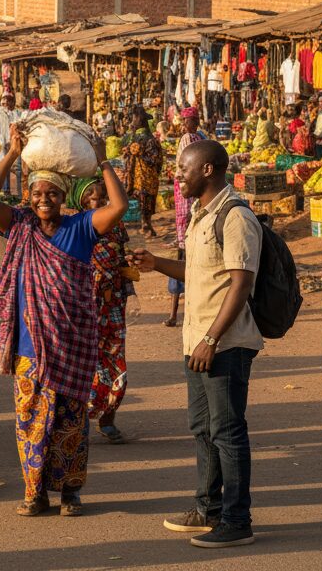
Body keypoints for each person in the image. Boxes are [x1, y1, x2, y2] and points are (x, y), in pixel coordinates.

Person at [0, 125, 127, 517]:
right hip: (29, 346)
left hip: (72, 341)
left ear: (64, 197)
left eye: (52, 194)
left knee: (71, 423)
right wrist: (11, 154)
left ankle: (70, 492)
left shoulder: (80, 227)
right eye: (38, 194)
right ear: (27, 196)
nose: (44, 200)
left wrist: (102, 161)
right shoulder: (20, 225)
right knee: (30, 420)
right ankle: (35, 492)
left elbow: (118, 207)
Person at [129, 140, 263, 548]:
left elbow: (241, 285)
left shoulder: (236, 216)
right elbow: (197, 271)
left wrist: (210, 339)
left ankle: (238, 521)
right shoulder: (201, 217)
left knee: (227, 431)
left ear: (207, 170)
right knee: (202, 429)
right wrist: (156, 264)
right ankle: (207, 510)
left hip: (223, 344)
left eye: (183, 168)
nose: (177, 175)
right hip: (198, 342)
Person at [74, 178, 135, 445]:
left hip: (112, 307)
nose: (96, 202)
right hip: (81, 308)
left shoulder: (117, 226)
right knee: (84, 365)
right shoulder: (74, 227)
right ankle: (77, 421)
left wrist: (130, 264)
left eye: (101, 197)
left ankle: (108, 418)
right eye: (90, 197)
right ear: (79, 200)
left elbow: (122, 259)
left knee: (114, 361)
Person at [169, 107, 206, 327]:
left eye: (189, 121)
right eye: (185, 121)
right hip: (188, 198)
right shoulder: (193, 138)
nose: (186, 125)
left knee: (183, 253)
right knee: (185, 254)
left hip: (188, 198)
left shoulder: (191, 138)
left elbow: (187, 168)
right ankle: (177, 312)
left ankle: (175, 313)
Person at [122, 109, 163, 238]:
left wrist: (139, 153)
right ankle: (145, 225)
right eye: (133, 118)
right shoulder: (134, 137)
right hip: (135, 177)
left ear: (142, 121)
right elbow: (128, 154)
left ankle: (147, 225)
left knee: (146, 201)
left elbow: (155, 160)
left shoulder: (151, 140)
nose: (133, 121)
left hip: (147, 178)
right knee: (139, 200)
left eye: (136, 118)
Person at [0, 94, 24, 195]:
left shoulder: (18, 112)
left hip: (16, 142)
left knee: (18, 167)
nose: (6, 105)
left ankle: (20, 192)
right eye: (4, 103)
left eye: (8, 103)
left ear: (13, 103)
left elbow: (22, 126)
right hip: (3, 142)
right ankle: (6, 190)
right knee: (5, 166)